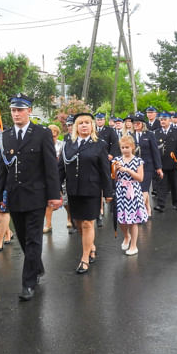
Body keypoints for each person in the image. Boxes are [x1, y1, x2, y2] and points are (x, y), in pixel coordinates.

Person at [0, 94, 61, 301]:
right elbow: (2, 168)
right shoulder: (5, 136)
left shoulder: (41, 133)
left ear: (29, 111)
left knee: (33, 239)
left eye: (20, 110)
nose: (16, 114)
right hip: (14, 196)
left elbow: (51, 167)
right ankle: (37, 266)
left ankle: (28, 283)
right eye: (13, 110)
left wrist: (54, 195)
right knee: (23, 238)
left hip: (36, 196)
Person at [59, 112, 113, 273]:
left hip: (92, 190)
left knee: (88, 223)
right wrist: (55, 188)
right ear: (76, 126)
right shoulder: (68, 144)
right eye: (81, 123)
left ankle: (84, 258)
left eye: (87, 123)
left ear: (92, 126)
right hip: (74, 190)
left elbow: (105, 170)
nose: (84, 125)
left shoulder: (99, 144)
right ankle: (91, 246)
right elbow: (61, 167)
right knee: (78, 223)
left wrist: (108, 191)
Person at [112, 135, 147, 256]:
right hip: (120, 191)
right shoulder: (116, 160)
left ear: (132, 147)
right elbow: (114, 178)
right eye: (122, 147)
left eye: (127, 147)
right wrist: (116, 170)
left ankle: (134, 246)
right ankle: (126, 236)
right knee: (121, 219)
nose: (125, 149)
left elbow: (141, 178)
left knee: (133, 221)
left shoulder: (138, 161)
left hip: (133, 191)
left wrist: (128, 170)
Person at [153, 112, 177, 212]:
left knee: (175, 183)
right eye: (161, 120)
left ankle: (176, 202)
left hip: (173, 163)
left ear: (169, 120)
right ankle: (161, 205)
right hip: (161, 163)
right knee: (161, 185)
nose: (162, 121)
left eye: (164, 119)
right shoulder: (156, 133)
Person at [132, 119, 162, 218]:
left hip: (147, 165)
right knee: (138, 188)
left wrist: (158, 167)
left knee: (143, 188)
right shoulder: (130, 135)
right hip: (134, 166)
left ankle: (139, 211)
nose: (136, 125)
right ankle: (148, 208)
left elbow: (155, 151)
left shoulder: (149, 134)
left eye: (138, 123)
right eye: (134, 123)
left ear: (142, 124)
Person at [43, 124, 64, 234]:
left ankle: (70, 219)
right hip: (48, 175)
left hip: (60, 174)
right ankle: (48, 224)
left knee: (65, 201)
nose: (52, 138)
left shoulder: (62, 145)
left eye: (54, 136)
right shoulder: (43, 145)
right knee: (48, 202)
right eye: (50, 136)